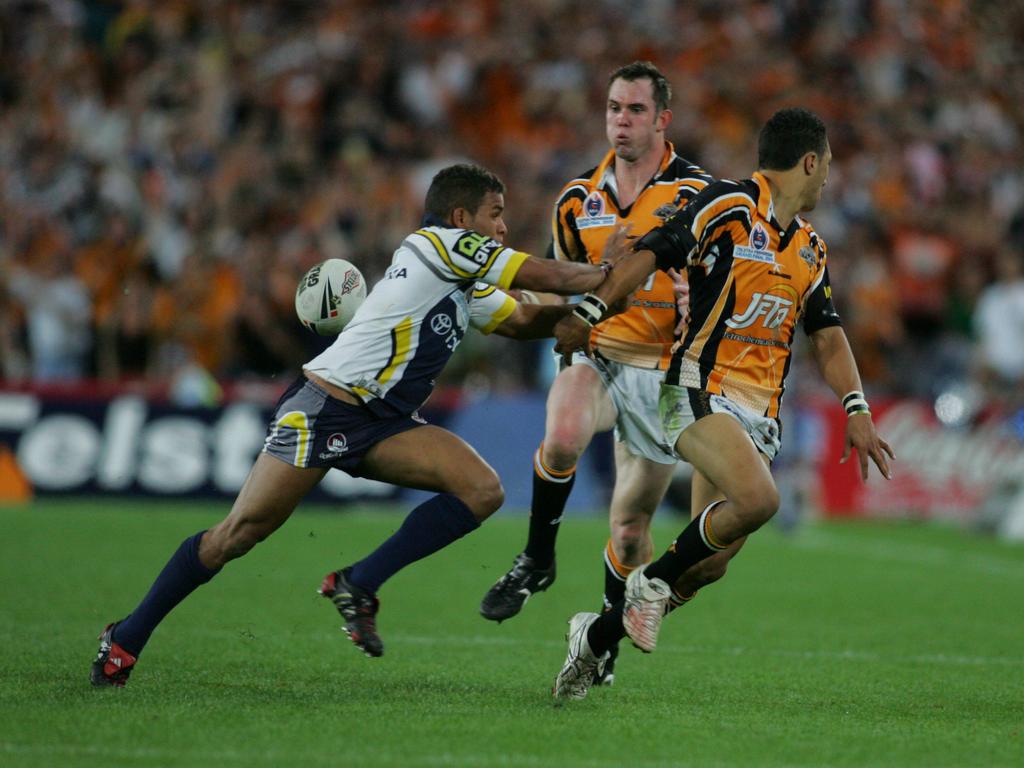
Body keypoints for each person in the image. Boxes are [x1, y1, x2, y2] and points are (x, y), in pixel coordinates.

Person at [90, 163, 627, 687]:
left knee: (481, 489)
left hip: (387, 422)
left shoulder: (465, 282)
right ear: (462, 217)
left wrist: (605, 309)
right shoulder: (437, 246)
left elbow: (524, 319)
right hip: (326, 409)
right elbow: (544, 274)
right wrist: (614, 274)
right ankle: (125, 637)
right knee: (238, 534)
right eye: (496, 214)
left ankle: (359, 583)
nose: (504, 226)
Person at [549, 107, 895, 699]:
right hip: (696, 390)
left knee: (708, 564)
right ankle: (648, 589)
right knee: (759, 499)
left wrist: (857, 407)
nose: (829, 179)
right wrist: (592, 309)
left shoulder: (810, 247)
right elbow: (653, 251)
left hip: (759, 414)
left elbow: (828, 334)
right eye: (828, 166)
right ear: (809, 161)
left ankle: (597, 637)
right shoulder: (727, 204)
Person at [479, 61, 715, 686]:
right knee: (560, 436)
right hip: (602, 357)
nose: (621, 121)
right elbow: (562, 285)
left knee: (632, 532)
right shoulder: (576, 199)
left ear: (663, 119)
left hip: (663, 375)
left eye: (635, 110)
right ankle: (536, 557)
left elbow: (727, 278)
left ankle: (598, 645)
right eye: (614, 108)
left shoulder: (700, 194)